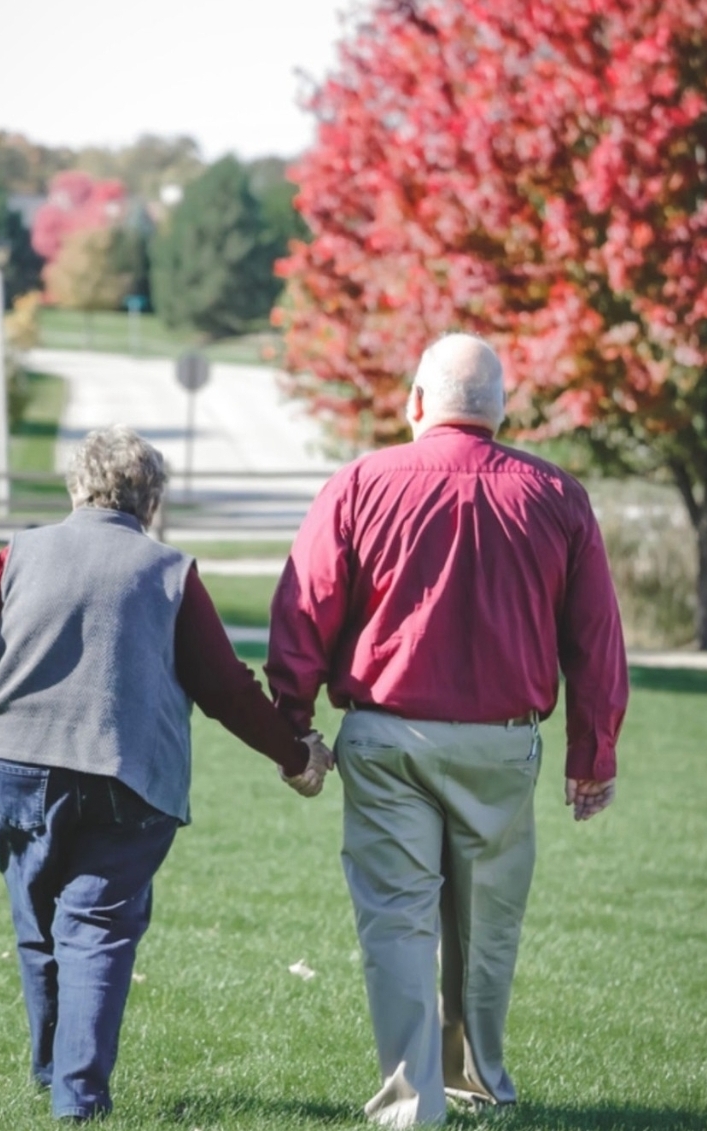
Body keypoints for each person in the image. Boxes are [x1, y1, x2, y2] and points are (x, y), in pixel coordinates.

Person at [265, 333, 628, 1128]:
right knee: (487, 921)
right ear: (500, 409)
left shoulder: (360, 483)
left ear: (415, 402)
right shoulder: (556, 495)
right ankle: (478, 1079)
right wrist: (591, 753)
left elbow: (303, 607)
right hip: (500, 742)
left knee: (397, 922)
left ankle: (410, 1103)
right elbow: (595, 636)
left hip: (386, 736)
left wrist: (293, 726)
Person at [0, 424, 332, 1123]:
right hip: (125, 774)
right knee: (95, 926)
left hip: (8, 766)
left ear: (75, 487)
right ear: (151, 500)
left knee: (37, 917)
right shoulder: (169, 573)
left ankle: (51, 1072)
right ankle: (77, 1098)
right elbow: (226, 689)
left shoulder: (18, 552)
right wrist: (296, 754)